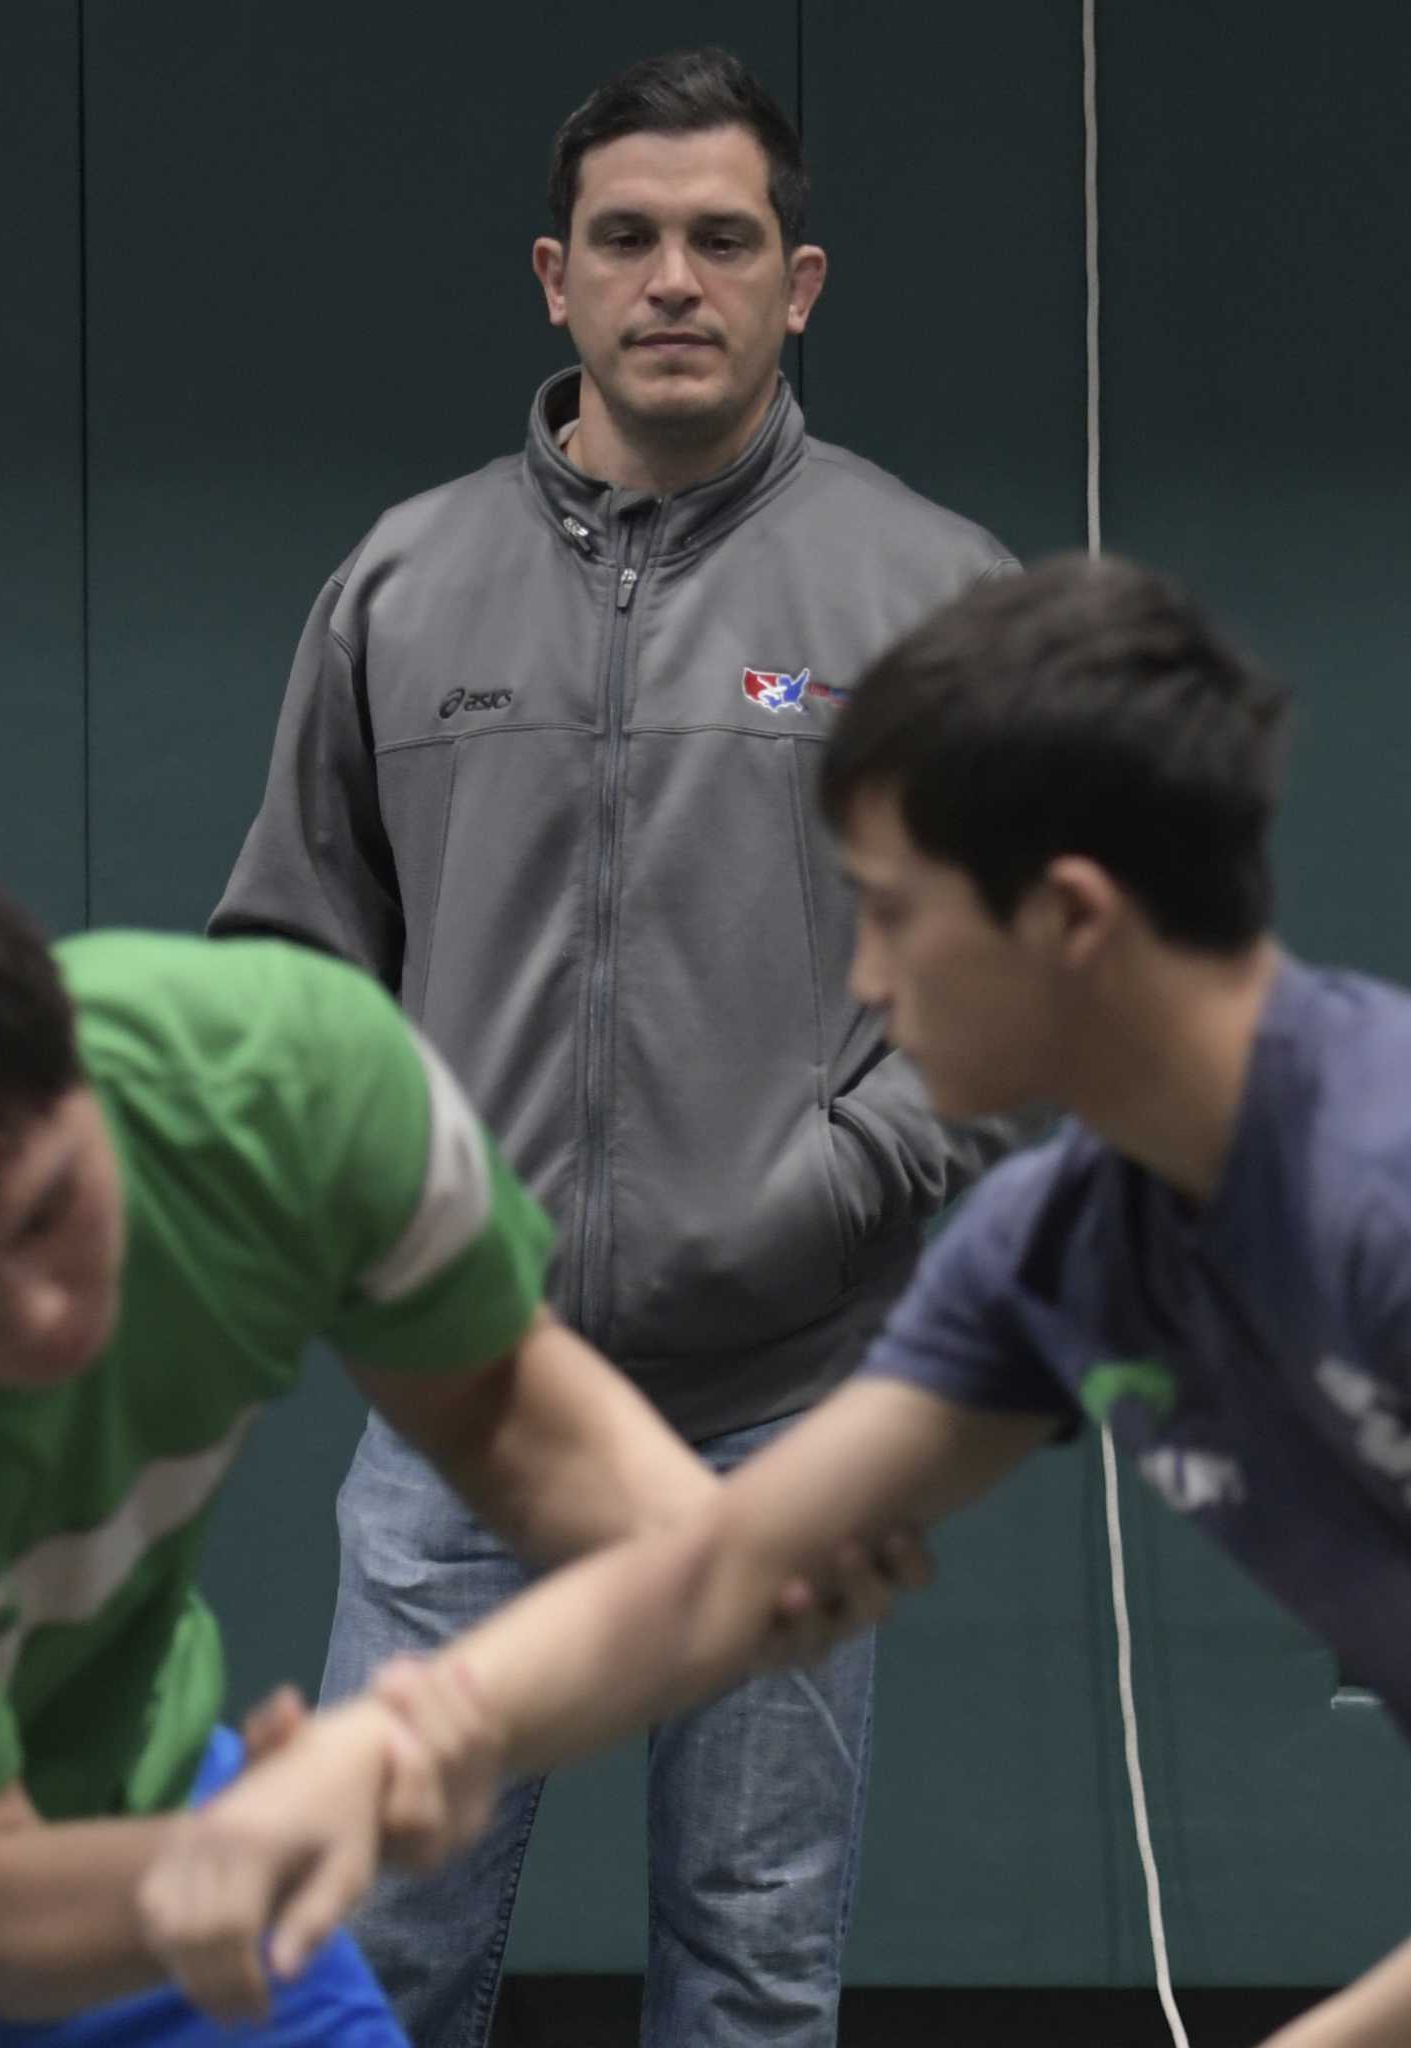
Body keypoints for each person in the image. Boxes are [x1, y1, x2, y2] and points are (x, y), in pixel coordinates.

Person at [146, 550, 1411, 2048]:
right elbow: (725, 1568)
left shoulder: (1376, 1196)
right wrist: (368, 1758)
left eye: (886, 911)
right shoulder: (1067, 1246)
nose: (864, 979)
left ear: (1070, 917)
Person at [209, 45, 1018, 2048]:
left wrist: (829, 1188)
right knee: (381, 1952)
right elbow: (286, 973)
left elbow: (1017, 1004)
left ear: (798, 282)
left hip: (789, 1409)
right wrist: (397, 1243)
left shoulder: (932, 594)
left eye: (722, 240)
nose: (675, 279)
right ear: (553, 276)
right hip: (464, 1408)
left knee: (752, 1963)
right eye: (630, 240)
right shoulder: (404, 583)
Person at [0, 830, 890, 2048]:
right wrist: (311, 1817)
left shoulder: (286, 1085)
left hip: (126, 1788)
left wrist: (728, 1564)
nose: (33, 1317)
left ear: (70, 1059)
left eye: (47, 1212)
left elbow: (498, 1413)